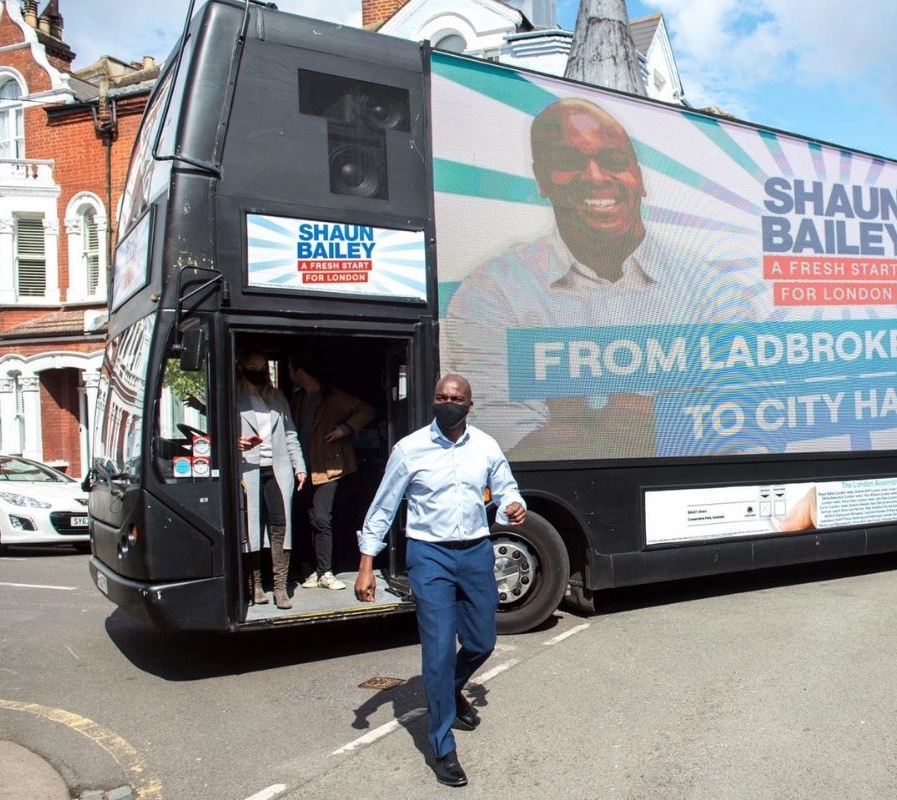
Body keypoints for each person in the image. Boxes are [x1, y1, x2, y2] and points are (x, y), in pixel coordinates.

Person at [443, 97, 749, 460]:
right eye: (569, 162)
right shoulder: (493, 292)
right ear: (542, 178)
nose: (595, 176)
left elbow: (747, 425)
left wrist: (582, 424)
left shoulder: (713, 293)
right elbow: (498, 442)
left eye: (613, 161)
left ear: (639, 176)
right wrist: (676, 419)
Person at [355, 374, 526, 788]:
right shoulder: (409, 449)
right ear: (433, 401)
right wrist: (366, 563)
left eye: (456, 398)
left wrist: (513, 505)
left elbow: (506, 490)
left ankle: (448, 690)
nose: (447, 403)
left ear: (470, 405)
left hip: (475, 551)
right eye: (441, 397)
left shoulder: (485, 446)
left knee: (483, 640)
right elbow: (384, 506)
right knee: (437, 652)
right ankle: (442, 745)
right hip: (429, 555)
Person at [287, 350, 375, 591]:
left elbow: (366, 410)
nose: (289, 373)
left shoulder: (332, 397)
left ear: (300, 371)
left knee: (322, 518)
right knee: (310, 519)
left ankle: (325, 571)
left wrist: (345, 429)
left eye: (290, 368)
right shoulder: (299, 398)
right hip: (303, 469)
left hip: (329, 467)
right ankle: (313, 571)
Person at [236, 349, 307, 609]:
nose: (258, 371)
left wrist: (300, 466)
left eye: (262, 366)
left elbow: (290, 434)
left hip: (277, 469)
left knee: (281, 526)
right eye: (253, 365)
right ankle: (254, 585)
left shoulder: (276, 397)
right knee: (251, 528)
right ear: (242, 366)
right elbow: (218, 434)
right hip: (247, 469)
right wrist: (236, 443)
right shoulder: (233, 396)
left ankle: (280, 587)